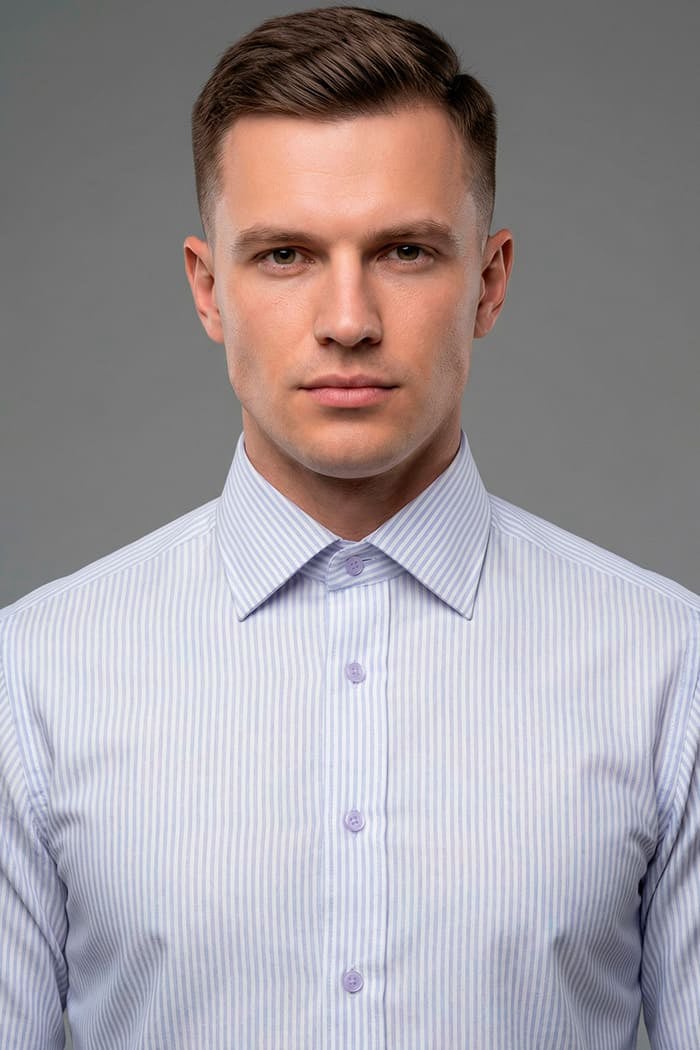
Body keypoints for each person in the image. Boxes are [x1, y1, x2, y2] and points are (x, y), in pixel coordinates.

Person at [1, 6, 697, 1048]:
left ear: (489, 282)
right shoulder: (32, 679)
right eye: (285, 254)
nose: (347, 320)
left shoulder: (670, 668)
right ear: (208, 290)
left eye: (405, 251)